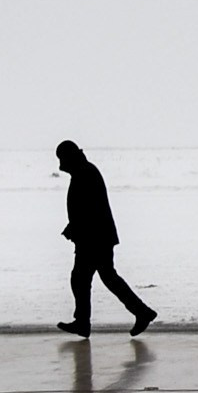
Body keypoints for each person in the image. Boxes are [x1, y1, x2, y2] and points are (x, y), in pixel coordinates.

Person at [55, 140, 157, 338]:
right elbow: (86, 209)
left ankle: (84, 322)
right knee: (101, 278)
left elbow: (90, 210)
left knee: (83, 279)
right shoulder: (84, 171)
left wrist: (75, 229)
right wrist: (74, 228)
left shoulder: (85, 173)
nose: (60, 164)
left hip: (94, 239)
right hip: (96, 237)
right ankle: (141, 312)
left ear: (69, 157)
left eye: (61, 159)